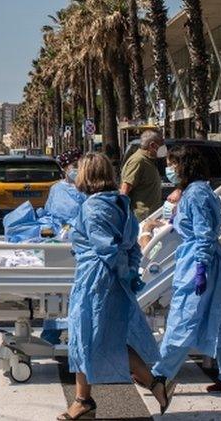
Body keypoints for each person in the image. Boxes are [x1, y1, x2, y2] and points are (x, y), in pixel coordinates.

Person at [59, 152, 170, 420]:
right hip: (112, 280)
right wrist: (130, 273)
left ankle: (87, 400)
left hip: (96, 281)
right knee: (104, 338)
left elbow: (106, 249)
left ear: (88, 174)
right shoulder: (121, 203)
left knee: (87, 338)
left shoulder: (92, 206)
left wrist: (123, 271)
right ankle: (85, 400)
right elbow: (130, 246)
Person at [148, 147, 221, 396]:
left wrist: (200, 267)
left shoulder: (196, 195)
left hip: (199, 265)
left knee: (182, 320)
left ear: (184, 167)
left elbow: (204, 235)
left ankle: (159, 375)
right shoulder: (197, 192)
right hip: (205, 263)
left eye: (172, 165)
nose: (169, 170)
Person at [40, 148, 87, 345]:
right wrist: (48, 229)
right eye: (73, 167)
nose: (75, 170)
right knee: (55, 292)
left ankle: (76, 334)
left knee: (77, 293)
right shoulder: (56, 189)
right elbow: (48, 214)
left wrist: (74, 228)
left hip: (81, 245)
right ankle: (51, 334)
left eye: (79, 167)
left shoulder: (87, 190)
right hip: (58, 243)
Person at [120, 130, 167, 221]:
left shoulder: (148, 160)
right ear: (153, 145)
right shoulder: (138, 161)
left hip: (150, 216)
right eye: (161, 144)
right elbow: (125, 189)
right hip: (141, 218)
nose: (163, 147)